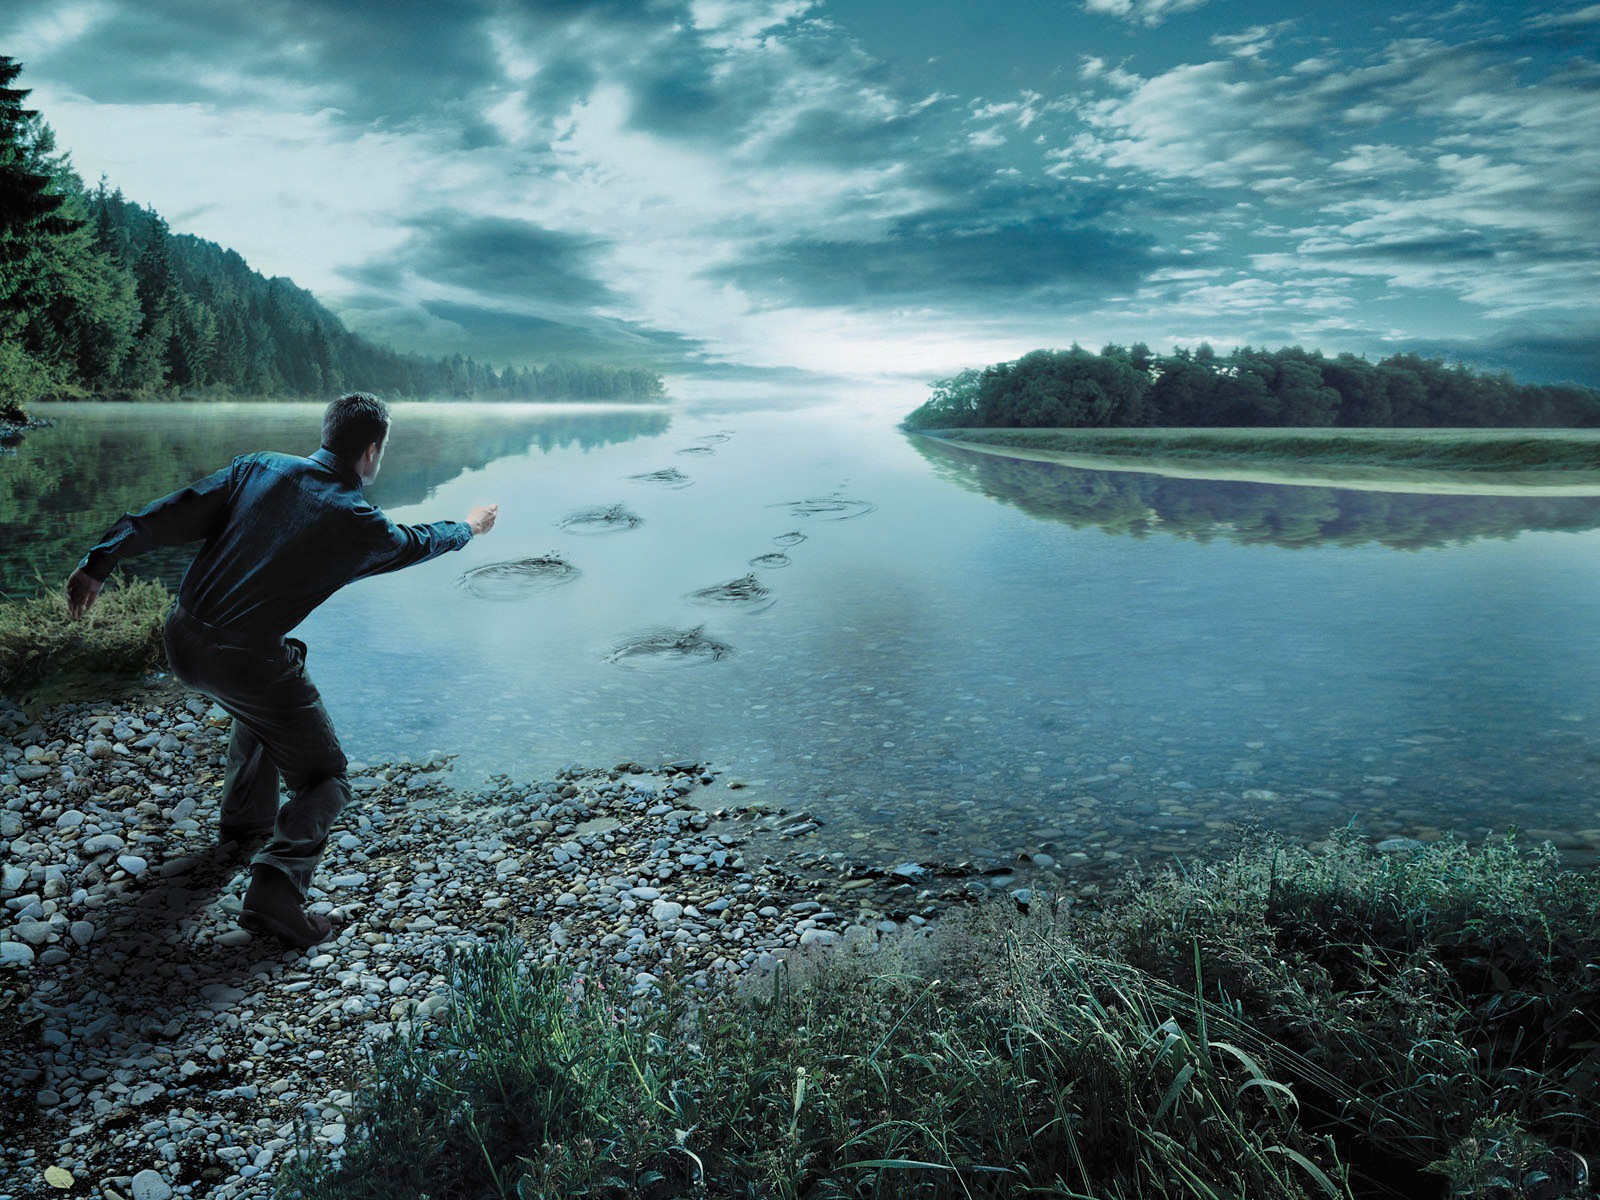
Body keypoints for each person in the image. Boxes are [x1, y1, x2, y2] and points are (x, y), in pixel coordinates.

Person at [64, 392, 498, 949]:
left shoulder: (259, 467)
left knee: (282, 675)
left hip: (181, 637)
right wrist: (469, 527)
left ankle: (245, 823)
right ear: (371, 452)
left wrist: (100, 560)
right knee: (327, 778)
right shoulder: (356, 521)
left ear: (326, 434)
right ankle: (275, 890)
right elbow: (416, 542)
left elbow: (172, 512)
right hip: (242, 662)